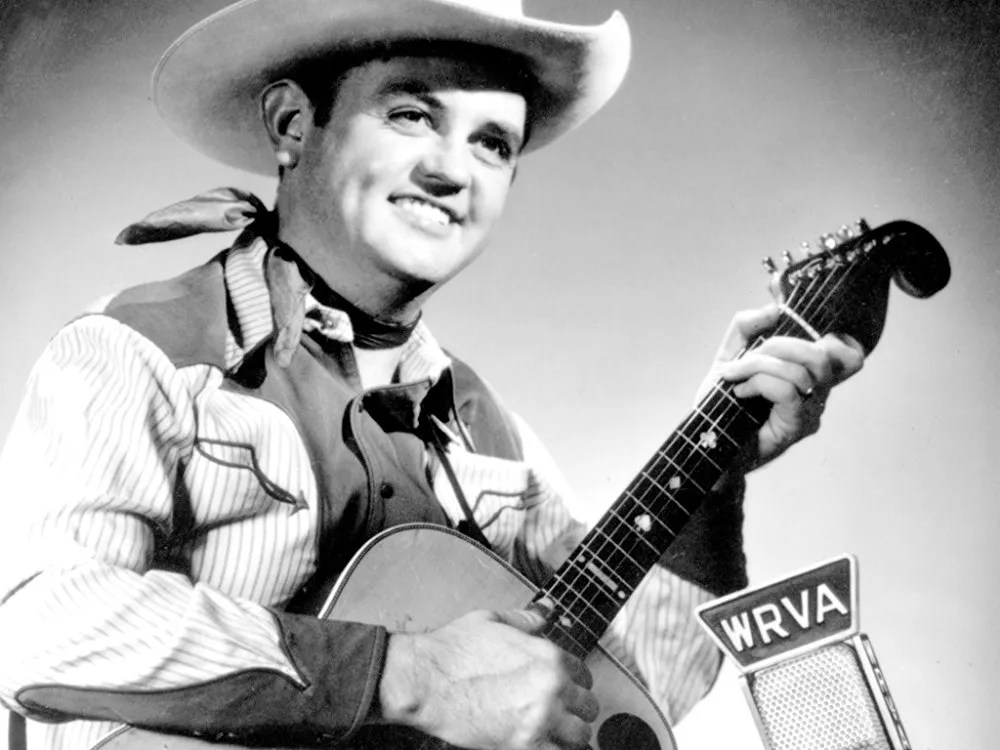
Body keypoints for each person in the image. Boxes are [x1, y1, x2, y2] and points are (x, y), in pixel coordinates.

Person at [0, 1, 864, 749]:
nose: (451, 171)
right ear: (293, 124)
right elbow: (36, 626)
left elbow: (631, 701)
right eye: (412, 115)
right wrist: (410, 675)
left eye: (491, 143)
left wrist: (714, 480)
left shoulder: (490, 433)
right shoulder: (138, 352)